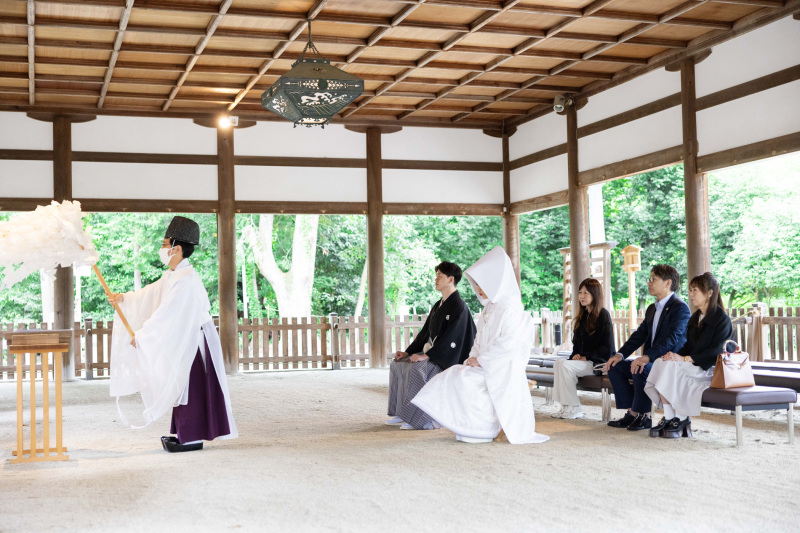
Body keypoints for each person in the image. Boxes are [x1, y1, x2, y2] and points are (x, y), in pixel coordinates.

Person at [109, 216, 237, 452]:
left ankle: (191, 436)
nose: (162, 248)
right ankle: (184, 432)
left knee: (191, 386)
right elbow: (151, 293)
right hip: (185, 337)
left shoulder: (186, 280)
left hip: (195, 342)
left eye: (164, 244)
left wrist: (145, 335)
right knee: (182, 386)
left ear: (176, 249)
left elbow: (168, 313)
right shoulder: (173, 275)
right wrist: (125, 298)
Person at [411, 246, 549, 444]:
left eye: (482, 284)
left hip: (502, 367)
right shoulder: (488, 310)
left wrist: (482, 360)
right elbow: (478, 340)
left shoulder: (511, 310)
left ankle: (484, 428)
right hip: (484, 364)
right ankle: (469, 427)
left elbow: (509, 344)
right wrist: (472, 358)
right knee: (455, 374)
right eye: (477, 285)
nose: (479, 289)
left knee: (467, 381)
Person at [387, 261, 476, 430]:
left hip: (449, 358)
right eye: (436, 276)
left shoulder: (459, 306)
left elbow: (453, 338)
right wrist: (407, 353)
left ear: (451, 280)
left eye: (440, 276)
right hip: (435, 353)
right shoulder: (438, 305)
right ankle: (401, 412)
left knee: (417, 369)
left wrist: (427, 355)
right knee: (397, 364)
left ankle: (421, 420)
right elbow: (425, 333)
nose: (436, 279)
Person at [645, 272, 733, 438]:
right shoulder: (695, 318)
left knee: (673, 368)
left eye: (695, 290)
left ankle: (682, 417)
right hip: (694, 366)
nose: (691, 294)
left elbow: (719, 351)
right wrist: (674, 355)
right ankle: (670, 416)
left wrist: (686, 359)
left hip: (711, 369)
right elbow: (688, 346)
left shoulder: (721, 319)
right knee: (661, 363)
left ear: (709, 293)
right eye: (690, 290)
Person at [605, 264, 690, 432]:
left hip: (669, 363)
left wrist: (647, 357)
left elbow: (672, 339)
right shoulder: (652, 308)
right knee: (614, 366)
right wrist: (620, 354)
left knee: (641, 367)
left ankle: (644, 416)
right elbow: (639, 335)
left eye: (653, 279)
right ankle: (632, 412)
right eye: (649, 279)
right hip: (652, 360)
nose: (649, 283)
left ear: (668, 283)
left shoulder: (680, 307)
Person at [551, 278, 614, 420]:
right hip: (584, 363)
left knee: (566, 366)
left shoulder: (603, 315)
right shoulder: (582, 317)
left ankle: (575, 408)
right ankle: (564, 406)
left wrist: (586, 357)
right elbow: (577, 346)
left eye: (586, 292)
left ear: (595, 294)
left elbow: (607, 347)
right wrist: (576, 355)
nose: (582, 296)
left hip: (598, 363)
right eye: (580, 292)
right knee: (559, 362)